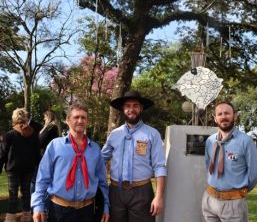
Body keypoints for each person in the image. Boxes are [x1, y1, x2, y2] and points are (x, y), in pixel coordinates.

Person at [31, 102, 110, 222]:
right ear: (68, 121)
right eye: (76, 117)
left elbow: (102, 183)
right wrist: (38, 206)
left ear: (87, 122)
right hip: (59, 210)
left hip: (87, 211)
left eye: (83, 117)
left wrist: (106, 207)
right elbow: (42, 178)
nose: (80, 120)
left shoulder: (95, 149)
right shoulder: (55, 146)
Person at [102, 90, 167, 222]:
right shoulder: (115, 134)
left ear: (141, 108)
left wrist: (159, 196)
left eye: (135, 105)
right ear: (122, 109)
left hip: (142, 192)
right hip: (115, 192)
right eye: (128, 106)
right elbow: (101, 159)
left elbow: (159, 166)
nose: (131, 109)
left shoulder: (152, 134)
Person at [202, 101, 257, 222]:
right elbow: (209, 166)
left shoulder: (246, 141)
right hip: (209, 200)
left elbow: (255, 174)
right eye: (220, 114)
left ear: (235, 116)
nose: (223, 117)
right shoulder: (210, 141)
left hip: (233, 203)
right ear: (215, 118)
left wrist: (239, 192)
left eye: (227, 113)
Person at [0, 108, 41, 222]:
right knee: (26, 193)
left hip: (13, 169)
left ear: (14, 118)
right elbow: (37, 153)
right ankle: (27, 217)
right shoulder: (34, 134)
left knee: (13, 194)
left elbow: (2, 153)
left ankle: (10, 218)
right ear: (26, 118)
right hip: (29, 168)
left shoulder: (10, 134)